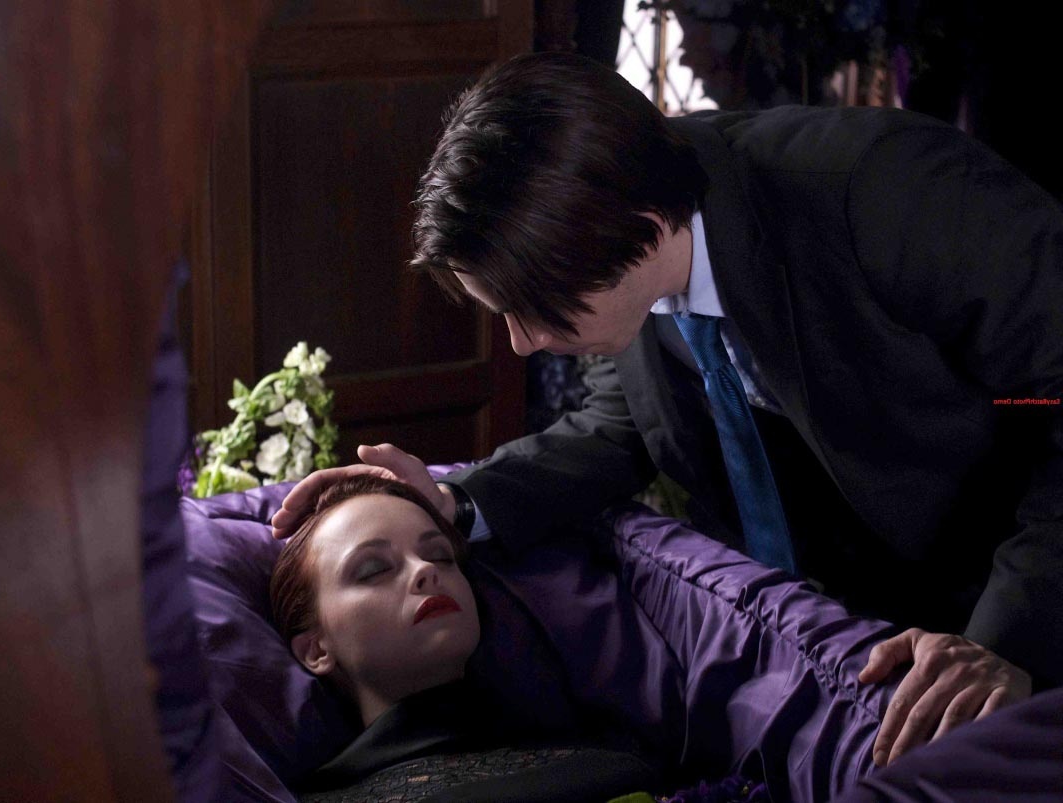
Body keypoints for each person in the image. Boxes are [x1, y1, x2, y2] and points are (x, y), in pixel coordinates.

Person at [274, 52, 1063, 769]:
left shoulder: (885, 191)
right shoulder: (626, 230)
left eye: (536, 311)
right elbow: (620, 423)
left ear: (646, 235)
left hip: (1018, 584)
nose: (520, 343)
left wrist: (1005, 636)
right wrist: (454, 502)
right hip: (863, 619)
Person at [270, 474, 665, 802]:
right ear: (316, 649)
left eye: (441, 555)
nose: (425, 569)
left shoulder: (609, 749)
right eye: (372, 569)